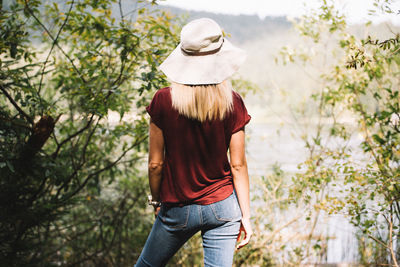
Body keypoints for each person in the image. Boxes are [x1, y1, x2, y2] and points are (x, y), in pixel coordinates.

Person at [135, 17, 252, 267]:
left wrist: (156, 201)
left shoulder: (163, 101)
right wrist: (247, 216)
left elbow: (156, 164)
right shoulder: (233, 103)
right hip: (223, 207)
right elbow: (238, 165)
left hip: (177, 208)